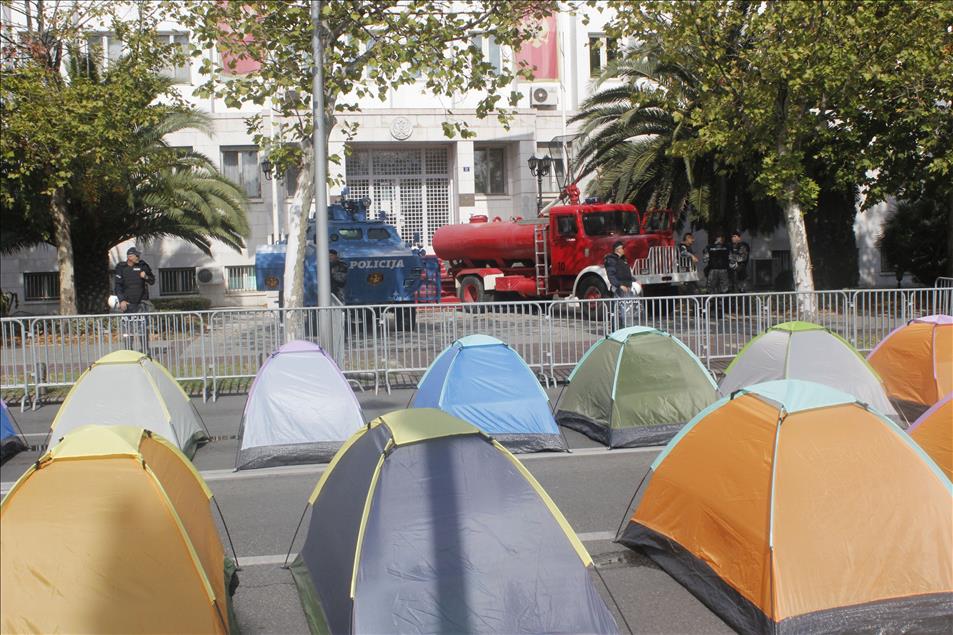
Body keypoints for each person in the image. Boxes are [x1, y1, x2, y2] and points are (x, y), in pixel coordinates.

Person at [604, 241, 642, 328]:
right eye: (622, 248)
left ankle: (626, 328)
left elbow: (626, 275)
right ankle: (616, 329)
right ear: (617, 250)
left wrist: (635, 280)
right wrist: (619, 285)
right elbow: (611, 276)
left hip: (627, 288)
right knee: (618, 311)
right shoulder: (611, 260)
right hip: (619, 289)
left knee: (627, 311)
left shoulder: (623, 260)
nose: (623, 250)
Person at [114, 247, 155, 313]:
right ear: (130, 257)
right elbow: (118, 286)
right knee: (129, 323)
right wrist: (122, 300)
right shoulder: (121, 267)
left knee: (143, 323)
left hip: (142, 302)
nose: (138, 257)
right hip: (127, 303)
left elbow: (152, 281)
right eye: (137, 256)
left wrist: (146, 277)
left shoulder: (143, 266)